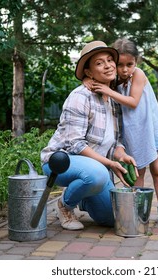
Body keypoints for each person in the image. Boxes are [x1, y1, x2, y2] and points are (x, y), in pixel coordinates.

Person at [40, 40, 137, 230]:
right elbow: (75, 144)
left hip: (94, 170)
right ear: (89, 72)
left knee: (112, 218)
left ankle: (83, 196)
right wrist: (109, 164)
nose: (108, 65)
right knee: (98, 173)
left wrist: (122, 155)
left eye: (110, 60)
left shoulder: (114, 99)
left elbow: (116, 141)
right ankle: (65, 205)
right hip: (61, 162)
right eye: (99, 63)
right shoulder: (80, 96)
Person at [85, 38, 158, 227]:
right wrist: (88, 80)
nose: (125, 70)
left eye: (130, 64)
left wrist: (108, 91)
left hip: (148, 128)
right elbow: (92, 78)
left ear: (137, 62)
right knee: (136, 172)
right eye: (120, 65)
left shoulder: (138, 75)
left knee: (157, 169)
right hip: (131, 132)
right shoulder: (112, 80)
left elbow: (133, 102)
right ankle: (136, 211)